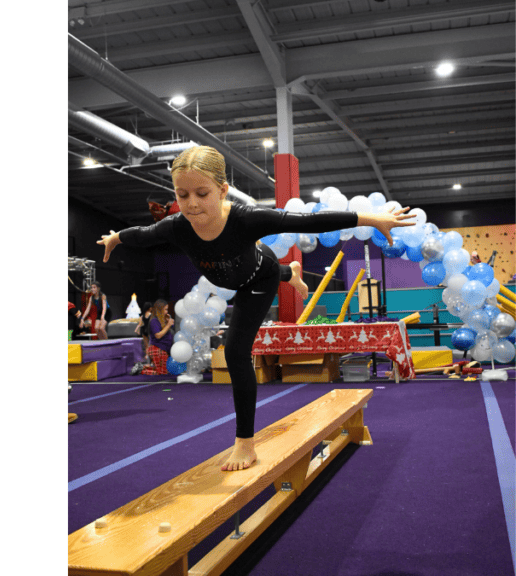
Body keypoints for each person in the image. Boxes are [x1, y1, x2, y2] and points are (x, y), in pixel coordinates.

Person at [97, 146, 415, 472]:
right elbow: (143, 234)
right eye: (182, 194)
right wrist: (115, 239)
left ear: (222, 191)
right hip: (231, 275)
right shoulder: (177, 226)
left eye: (202, 193)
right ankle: (291, 273)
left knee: (236, 351)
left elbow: (308, 221)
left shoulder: (245, 219)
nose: (191, 203)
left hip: (257, 278)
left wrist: (371, 219)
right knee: (266, 273)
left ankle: (245, 443)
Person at [140, 300, 175, 376]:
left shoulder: (163, 320)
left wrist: (168, 322)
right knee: (162, 372)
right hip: (157, 349)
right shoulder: (154, 321)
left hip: (163, 350)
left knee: (164, 370)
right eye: (165, 309)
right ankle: (142, 369)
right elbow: (158, 335)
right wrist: (168, 325)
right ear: (160, 309)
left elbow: (170, 329)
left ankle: (147, 368)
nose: (167, 312)